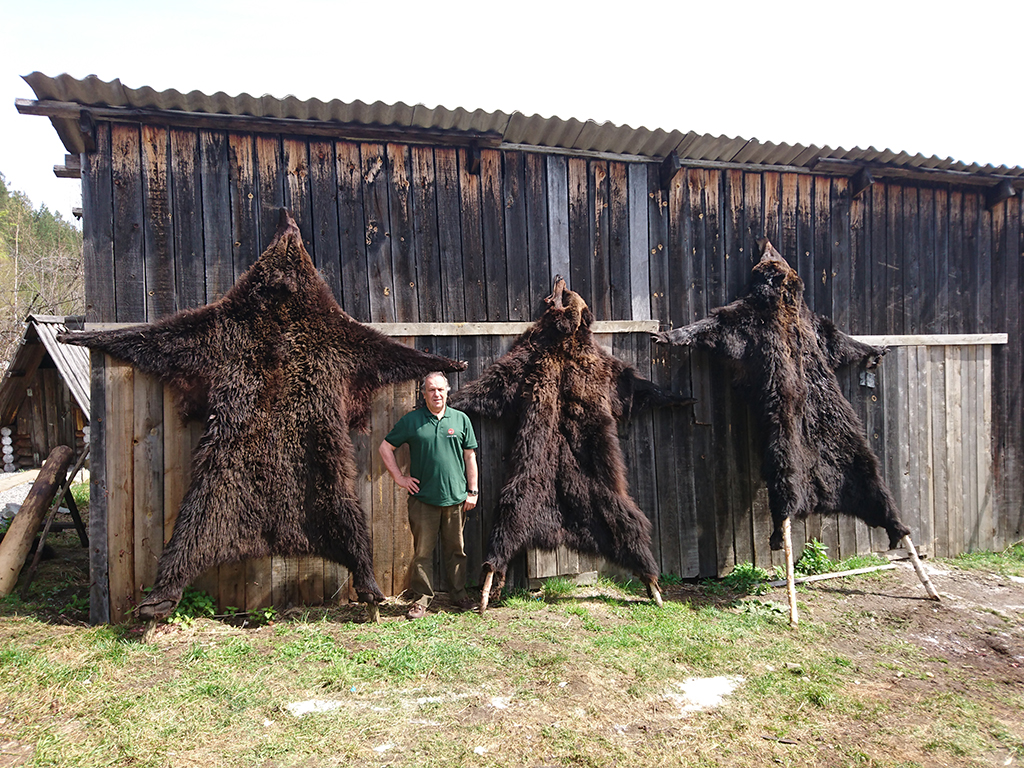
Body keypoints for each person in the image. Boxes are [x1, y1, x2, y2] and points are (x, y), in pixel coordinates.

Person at [379, 371, 479, 619]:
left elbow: (470, 457)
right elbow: (385, 448)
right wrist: (399, 478)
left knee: (456, 550)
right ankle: (422, 600)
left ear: (447, 392)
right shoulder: (412, 421)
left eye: (440, 389)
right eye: (431, 390)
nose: (436, 394)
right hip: (423, 501)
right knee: (422, 553)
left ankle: (459, 595)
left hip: (456, 499)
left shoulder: (461, 419)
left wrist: (473, 491)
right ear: (423, 394)